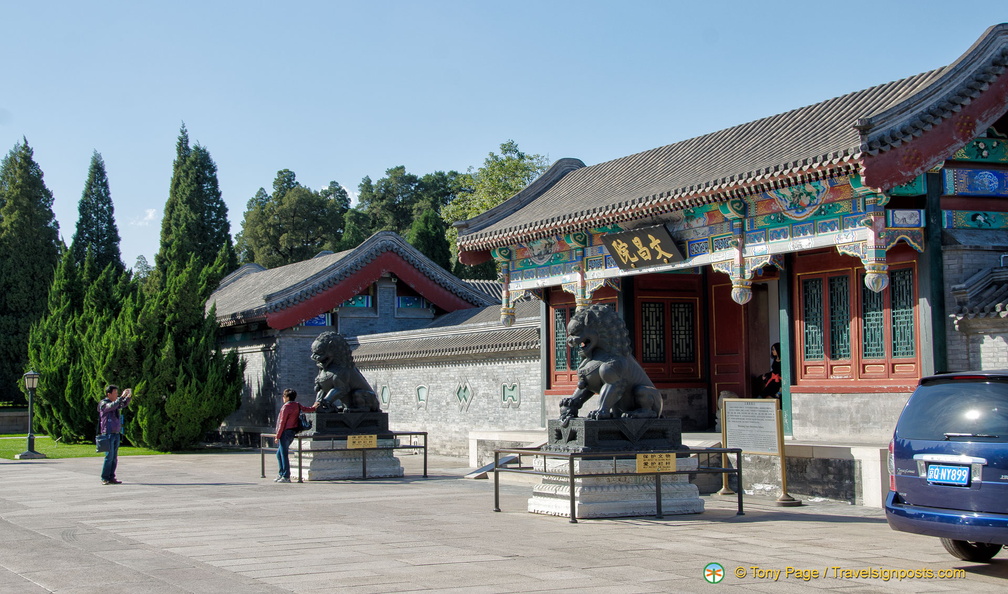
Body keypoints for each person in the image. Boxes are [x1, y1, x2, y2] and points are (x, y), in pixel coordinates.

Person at [274, 389, 317, 483]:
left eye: (284, 397)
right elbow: (306, 409)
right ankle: (281, 473)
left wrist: (277, 436)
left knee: (283, 454)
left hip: (285, 432)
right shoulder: (297, 405)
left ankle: (285, 476)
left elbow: (282, 422)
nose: (283, 398)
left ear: (287, 397)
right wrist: (314, 407)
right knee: (279, 454)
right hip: (292, 432)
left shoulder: (286, 407)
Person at [98, 384, 133, 485]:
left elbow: (122, 404)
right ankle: (104, 477)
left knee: (114, 457)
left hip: (116, 433)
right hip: (108, 433)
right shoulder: (104, 404)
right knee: (109, 456)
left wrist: (128, 397)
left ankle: (111, 476)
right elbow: (112, 406)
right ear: (109, 394)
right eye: (115, 393)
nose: (117, 395)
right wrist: (122, 397)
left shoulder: (115, 403)